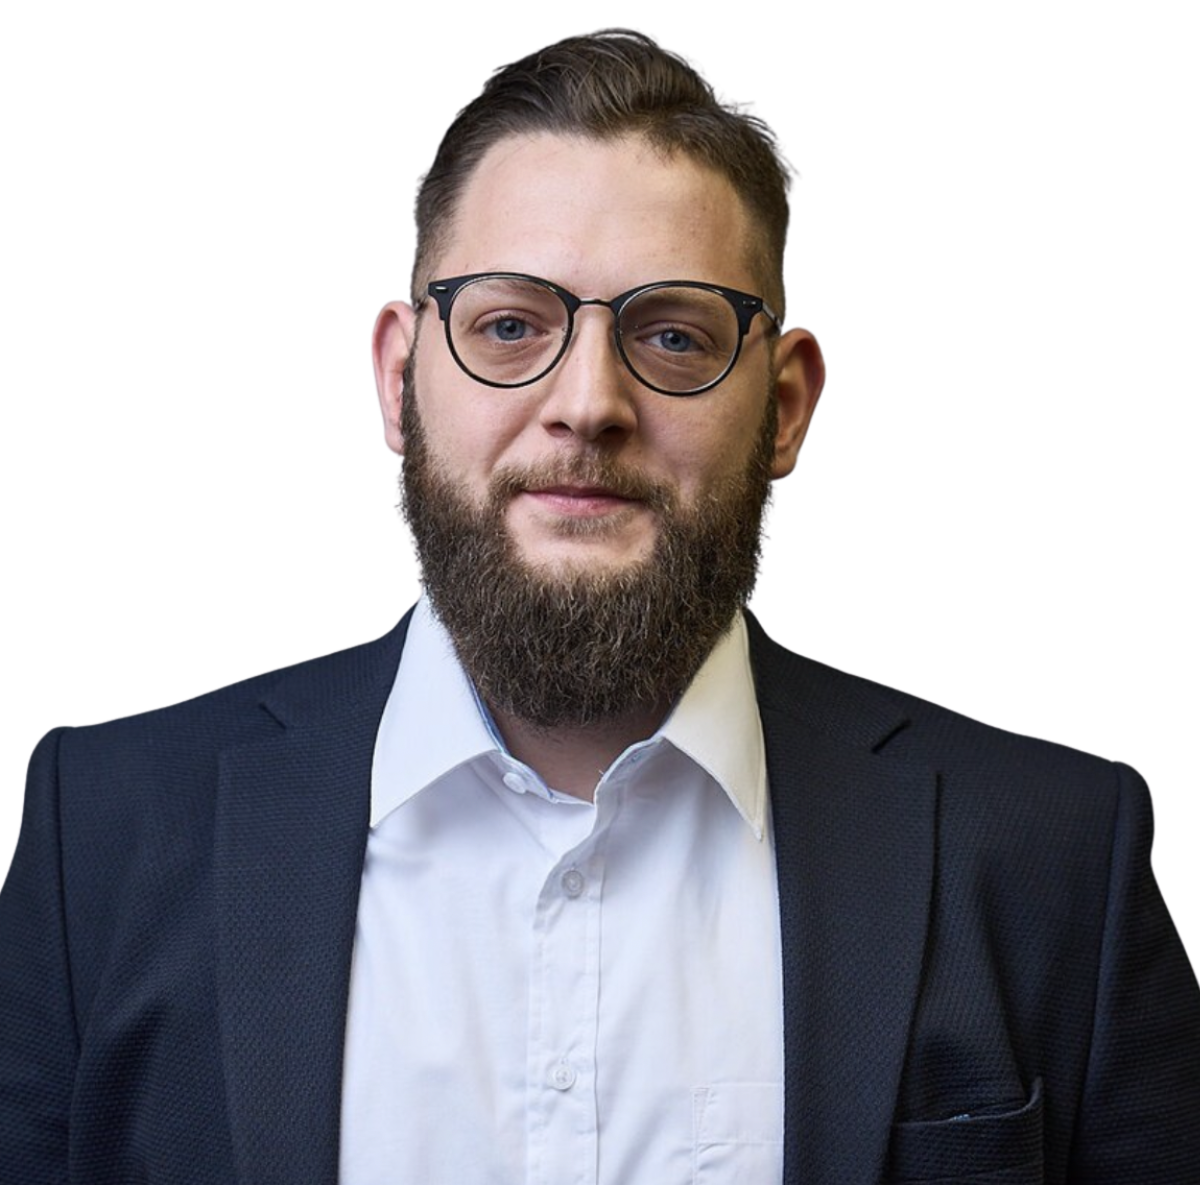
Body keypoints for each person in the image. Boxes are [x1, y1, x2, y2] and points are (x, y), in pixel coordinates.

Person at [3, 28, 1198, 1186]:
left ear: (786, 406)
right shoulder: (99, 829)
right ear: (398, 376)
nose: (587, 403)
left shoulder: (1058, 854)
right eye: (508, 326)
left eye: (673, 335)